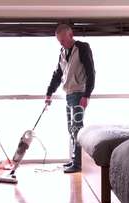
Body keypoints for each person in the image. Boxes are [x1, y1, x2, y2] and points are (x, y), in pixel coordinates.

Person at [45, 24, 95, 173]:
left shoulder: (82, 48)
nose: (61, 43)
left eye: (63, 40)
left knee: (77, 128)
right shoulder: (62, 52)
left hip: (79, 93)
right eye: (59, 41)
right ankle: (74, 159)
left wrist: (87, 95)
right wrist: (49, 93)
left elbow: (91, 72)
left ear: (70, 35)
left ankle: (78, 164)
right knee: (71, 129)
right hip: (69, 95)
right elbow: (57, 75)